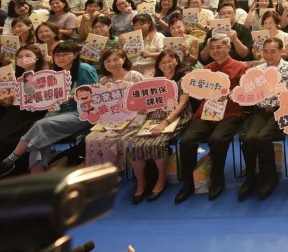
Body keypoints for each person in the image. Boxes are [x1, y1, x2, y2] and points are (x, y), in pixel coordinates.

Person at [0, 42, 98, 177]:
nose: (61, 58)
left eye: (65, 54)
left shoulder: (84, 69)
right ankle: (37, 175)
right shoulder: (54, 73)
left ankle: (10, 160)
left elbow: (93, 95)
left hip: (81, 112)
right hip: (57, 112)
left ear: (75, 55)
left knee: (41, 125)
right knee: (40, 139)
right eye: (57, 55)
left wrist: (70, 97)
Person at [174, 34, 247, 204]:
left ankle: (217, 177)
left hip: (230, 112)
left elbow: (245, 94)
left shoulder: (241, 67)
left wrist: (230, 95)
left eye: (219, 47)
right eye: (212, 48)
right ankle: (188, 182)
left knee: (217, 140)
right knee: (187, 141)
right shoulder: (206, 69)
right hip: (206, 112)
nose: (215, 51)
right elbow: (199, 94)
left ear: (228, 48)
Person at [128, 50, 192, 203]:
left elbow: (182, 105)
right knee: (135, 144)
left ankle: (161, 180)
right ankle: (141, 183)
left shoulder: (183, 79)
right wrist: (143, 108)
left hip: (177, 117)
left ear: (177, 61)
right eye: (163, 62)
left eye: (170, 61)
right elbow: (147, 102)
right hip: (154, 117)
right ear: (158, 65)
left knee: (158, 142)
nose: (167, 65)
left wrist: (165, 122)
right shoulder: (155, 81)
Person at [238, 38, 288, 201]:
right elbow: (249, 93)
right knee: (248, 138)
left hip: (282, 110)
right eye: (265, 51)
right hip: (260, 110)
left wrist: (281, 99)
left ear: (282, 52)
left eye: (273, 51)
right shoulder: (257, 70)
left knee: (263, 137)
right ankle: (251, 177)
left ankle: (269, 177)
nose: (268, 55)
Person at [83, 48, 144, 176]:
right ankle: (98, 174)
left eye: (116, 59)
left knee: (108, 138)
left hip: (134, 116)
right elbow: (99, 105)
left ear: (124, 59)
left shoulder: (134, 76)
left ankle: (113, 173)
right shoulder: (104, 80)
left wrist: (126, 86)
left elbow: (143, 100)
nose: (112, 63)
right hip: (111, 118)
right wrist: (95, 92)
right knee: (91, 138)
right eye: (107, 61)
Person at [0, 46, 48, 176]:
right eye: (19, 57)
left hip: (33, 112)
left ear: (37, 57)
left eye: (27, 55)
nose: (23, 59)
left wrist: (27, 86)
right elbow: (8, 103)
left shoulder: (46, 75)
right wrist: (4, 95)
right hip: (15, 111)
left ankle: (11, 168)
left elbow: (43, 100)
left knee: (6, 138)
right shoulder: (12, 76)